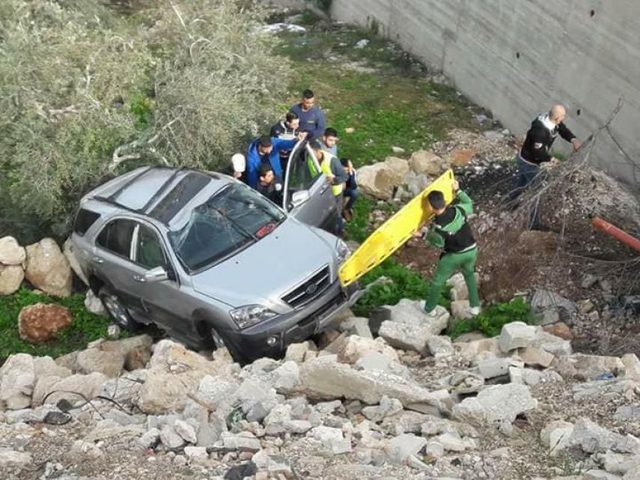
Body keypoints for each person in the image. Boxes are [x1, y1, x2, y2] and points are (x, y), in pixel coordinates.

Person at [416, 180, 480, 319]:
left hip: (454, 256)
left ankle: (429, 308)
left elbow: (436, 243)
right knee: (469, 275)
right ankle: (475, 307)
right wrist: (458, 190)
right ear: (444, 201)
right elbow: (469, 202)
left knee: (438, 282)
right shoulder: (459, 210)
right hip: (472, 250)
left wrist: (421, 234)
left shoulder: (438, 227)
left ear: (432, 208)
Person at [510, 105, 581, 227]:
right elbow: (538, 153)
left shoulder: (551, 121)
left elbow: (562, 129)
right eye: (563, 116)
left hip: (526, 159)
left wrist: (573, 140)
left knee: (522, 182)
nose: (564, 118)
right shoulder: (540, 131)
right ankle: (534, 224)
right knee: (537, 192)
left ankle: (511, 202)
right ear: (557, 117)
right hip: (528, 163)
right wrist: (552, 159)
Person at [313, 143, 348, 236]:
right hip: (320, 193)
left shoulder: (332, 160)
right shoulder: (310, 159)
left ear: (318, 151)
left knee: (337, 214)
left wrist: (334, 180)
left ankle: (340, 233)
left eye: (312, 153)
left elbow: (344, 176)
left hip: (335, 192)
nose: (311, 156)